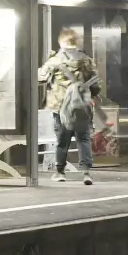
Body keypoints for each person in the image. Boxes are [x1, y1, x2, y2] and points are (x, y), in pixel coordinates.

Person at [38, 29, 100, 185]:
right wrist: (88, 95)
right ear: (76, 42)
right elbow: (96, 84)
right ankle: (86, 173)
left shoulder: (55, 60)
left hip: (60, 106)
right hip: (82, 106)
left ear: (61, 42)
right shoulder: (86, 60)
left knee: (62, 140)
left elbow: (40, 78)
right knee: (83, 138)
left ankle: (60, 172)